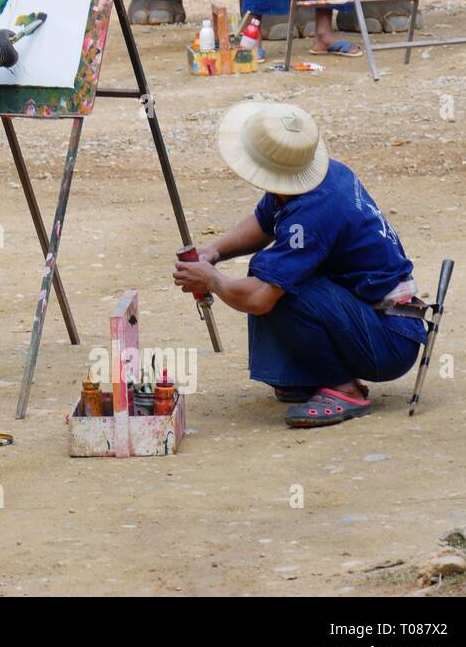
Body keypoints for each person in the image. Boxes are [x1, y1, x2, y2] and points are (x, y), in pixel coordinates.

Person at [172, 101, 425, 428]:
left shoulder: (314, 209)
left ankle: (343, 387)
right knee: (276, 271)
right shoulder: (319, 177)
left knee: (280, 286)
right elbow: (264, 221)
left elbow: (260, 297)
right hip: (376, 318)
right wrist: (215, 252)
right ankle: (307, 373)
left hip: (390, 340)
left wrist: (212, 280)